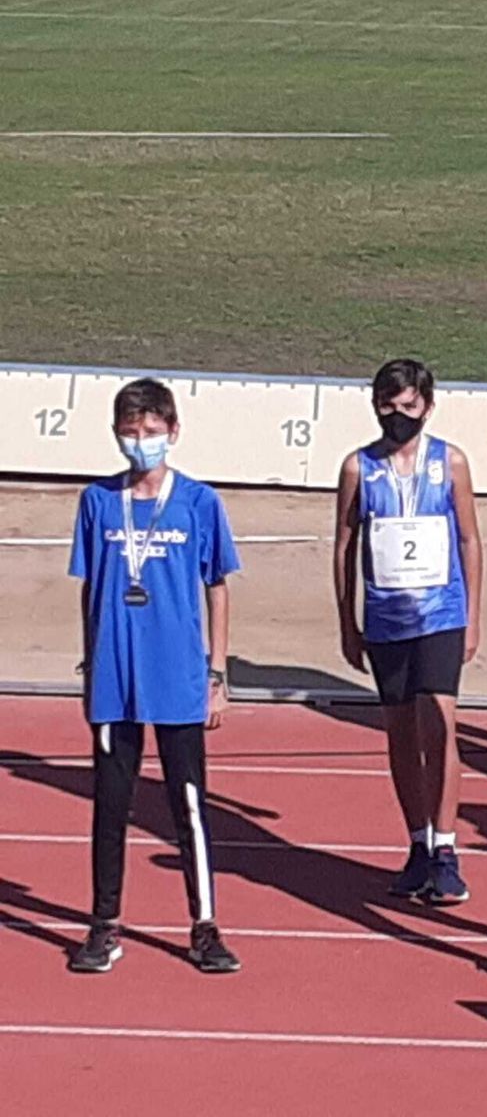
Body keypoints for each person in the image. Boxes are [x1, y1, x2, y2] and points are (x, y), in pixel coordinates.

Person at [67, 378, 241, 974]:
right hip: (114, 679)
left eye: (151, 431)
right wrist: (90, 666)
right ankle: (103, 925)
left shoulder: (199, 502)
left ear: (173, 431)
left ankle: (205, 926)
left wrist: (217, 673)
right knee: (110, 806)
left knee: (187, 806)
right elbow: (90, 587)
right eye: (130, 431)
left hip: (179, 678)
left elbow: (217, 587)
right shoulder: (97, 502)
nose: (140, 441)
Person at [334, 359, 483, 905]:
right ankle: (418, 843)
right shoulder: (358, 467)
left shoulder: (451, 462)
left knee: (439, 725)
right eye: (389, 406)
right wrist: (347, 622)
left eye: (409, 406)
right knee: (399, 733)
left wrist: (472, 615)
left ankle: (446, 847)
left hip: (441, 615)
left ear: (427, 406)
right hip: (385, 618)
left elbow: (469, 539)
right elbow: (344, 545)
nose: (399, 416)